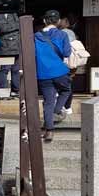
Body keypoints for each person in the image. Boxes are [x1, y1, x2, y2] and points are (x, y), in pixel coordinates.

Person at [34, 10, 72, 142]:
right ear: (58, 21)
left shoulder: (36, 36)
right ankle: (57, 110)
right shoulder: (62, 34)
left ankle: (49, 131)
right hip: (59, 71)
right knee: (66, 90)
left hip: (43, 73)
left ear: (44, 21)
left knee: (48, 101)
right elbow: (67, 53)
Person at [58, 16, 77, 116]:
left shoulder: (62, 33)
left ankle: (63, 106)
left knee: (62, 85)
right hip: (72, 62)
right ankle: (68, 106)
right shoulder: (72, 33)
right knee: (68, 84)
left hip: (63, 62)